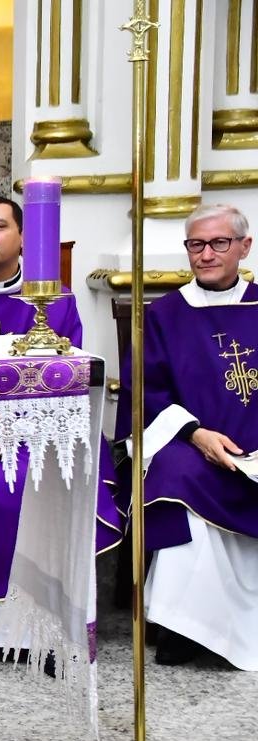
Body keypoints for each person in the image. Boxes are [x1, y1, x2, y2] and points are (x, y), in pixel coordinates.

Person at [0, 196, 122, 644]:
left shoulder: (55, 299)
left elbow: (71, 378)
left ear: (22, 237)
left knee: (36, 478)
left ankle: (46, 624)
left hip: (39, 432)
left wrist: (17, 429)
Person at [125, 203, 257, 668]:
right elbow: (144, 392)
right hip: (194, 446)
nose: (205, 254)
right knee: (173, 476)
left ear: (244, 246)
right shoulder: (164, 314)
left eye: (219, 243)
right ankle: (184, 625)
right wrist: (197, 434)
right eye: (196, 244)